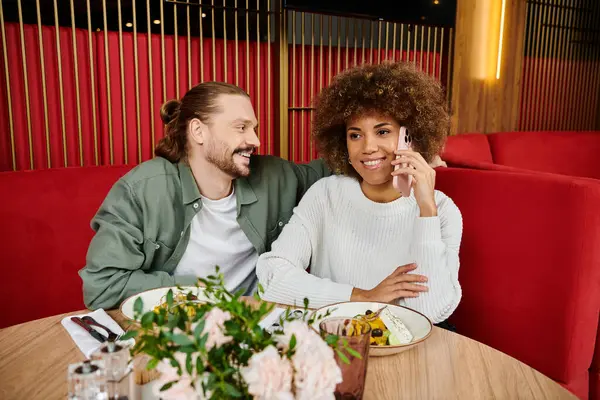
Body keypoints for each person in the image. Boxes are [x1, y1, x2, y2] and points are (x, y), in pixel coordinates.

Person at [79, 82, 330, 310]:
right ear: (198, 131)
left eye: (254, 128)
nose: (256, 140)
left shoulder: (275, 176)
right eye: (241, 127)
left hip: (257, 332)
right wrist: (199, 290)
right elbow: (102, 286)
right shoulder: (142, 190)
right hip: (178, 333)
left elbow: (339, 167)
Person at [256, 62, 463, 324]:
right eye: (355, 135)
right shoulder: (324, 195)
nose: (368, 147)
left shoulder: (442, 212)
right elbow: (271, 275)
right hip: (334, 342)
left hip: (405, 348)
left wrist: (426, 211)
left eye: (383, 131)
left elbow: (430, 312)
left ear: (410, 136)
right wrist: (361, 297)